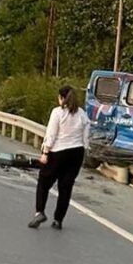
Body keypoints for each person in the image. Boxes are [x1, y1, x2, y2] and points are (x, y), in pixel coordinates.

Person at [29, 85, 90, 230]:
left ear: (61, 98)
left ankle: (40, 212)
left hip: (58, 152)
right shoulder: (82, 114)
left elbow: (51, 134)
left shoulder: (58, 113)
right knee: (66, 187)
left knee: (44, 182)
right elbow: (86, 136)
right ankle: (58, 220)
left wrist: (45, 152)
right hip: (76, 153)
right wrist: (84, 152)